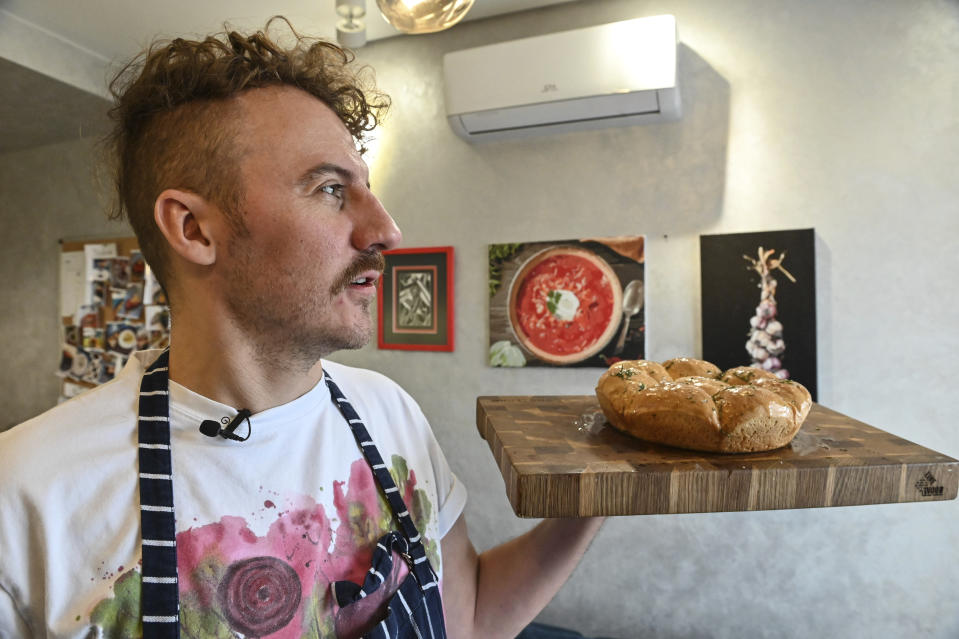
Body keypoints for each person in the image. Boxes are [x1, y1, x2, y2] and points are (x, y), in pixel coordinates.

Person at [0, 18, 604, 639]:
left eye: (366, 187)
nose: (387, 231)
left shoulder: (389, 413)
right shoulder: (26, 493)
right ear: (194, 230)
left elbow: (467, 619)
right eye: (330, 189)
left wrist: (592, 501)